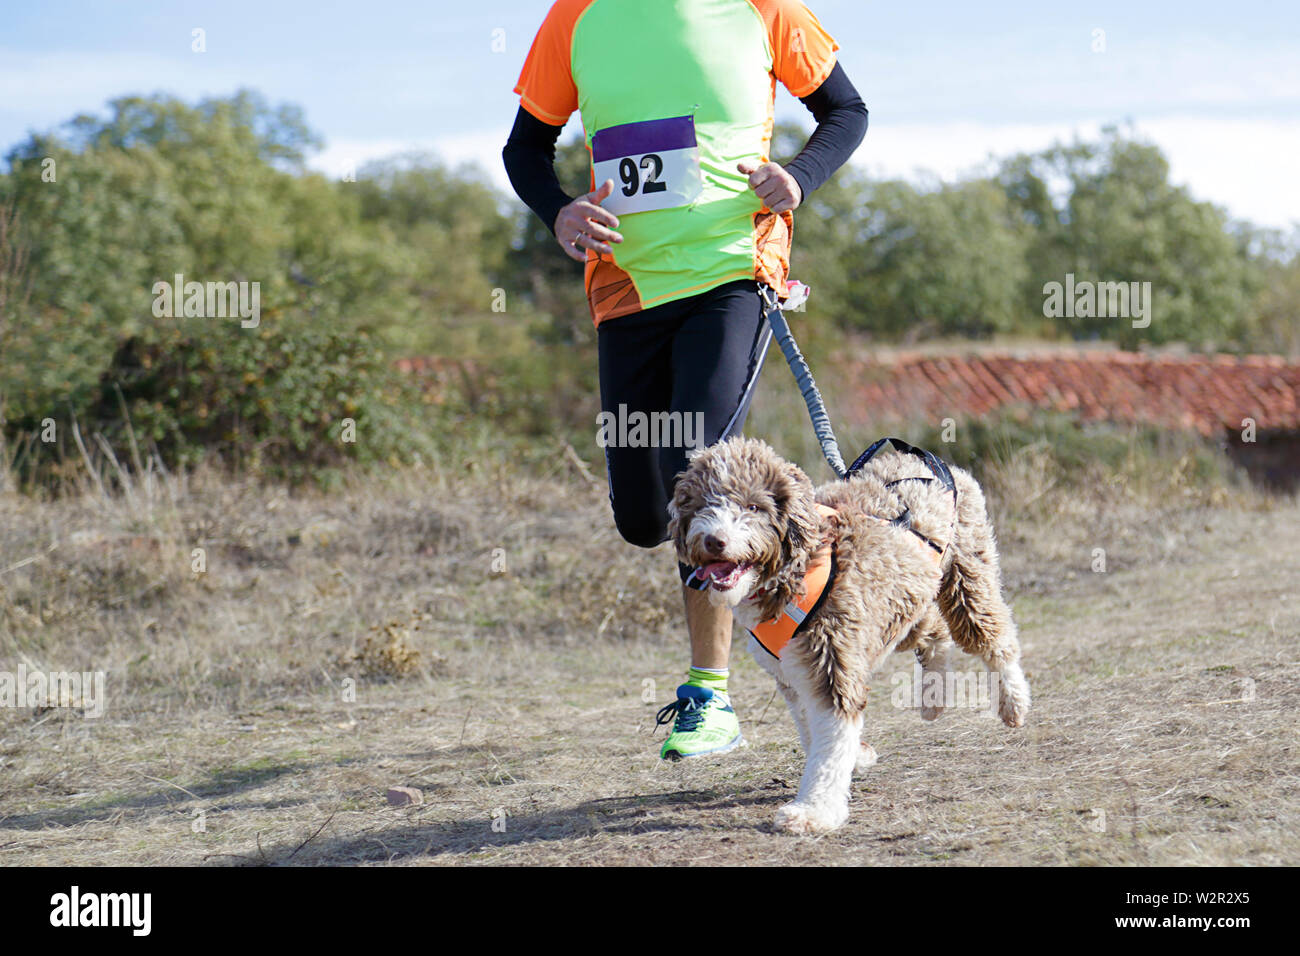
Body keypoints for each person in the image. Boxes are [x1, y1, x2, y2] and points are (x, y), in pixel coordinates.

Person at [503, 0, 867, 759]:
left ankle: (712, 696)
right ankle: (803, 546)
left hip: (732, 269)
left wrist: (798, 179)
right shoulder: (577, 16)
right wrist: (561, 214)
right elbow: (524, 150)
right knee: (646, 516)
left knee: (697, 472)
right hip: (626, 287)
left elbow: (846, 110)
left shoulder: (763, 8)